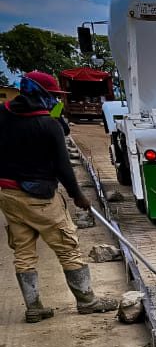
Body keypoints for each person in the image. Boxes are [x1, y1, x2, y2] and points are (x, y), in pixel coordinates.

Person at [0, 71, 117, 322]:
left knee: (23, 252)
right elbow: (63, 166)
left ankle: (34, 308)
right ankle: (87, 301)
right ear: (42, 94)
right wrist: (78, 196)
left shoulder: (3, 114)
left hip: (9, 193)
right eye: (53, 95)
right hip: (40, 197)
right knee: (67, 247)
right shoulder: (47, 124)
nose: (56, 100)